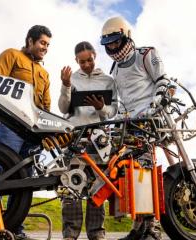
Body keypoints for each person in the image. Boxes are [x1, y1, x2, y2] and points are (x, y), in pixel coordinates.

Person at [100, 16, 170, 240]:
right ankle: (139, 226)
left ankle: (153, 228)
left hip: (149, 122)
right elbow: (120, 103)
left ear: (126, 36)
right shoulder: (115, 70)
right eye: (108, 44)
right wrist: (113, 122)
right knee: (128, 176)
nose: (112, 47)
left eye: (114, 41)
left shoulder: (146, 55)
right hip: (128, 125)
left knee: (146, 174)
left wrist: (156, 104)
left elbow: (162, 81)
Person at [0, 25, 52, 239]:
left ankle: (15, 230)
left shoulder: (45, 74)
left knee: (24, 182)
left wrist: (46, 133)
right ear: (30, 40)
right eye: (42, 43)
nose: (45, 47)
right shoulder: (11, 56)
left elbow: (46, 106)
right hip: (10, 127)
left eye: (48, 44)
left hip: (33, 133)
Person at [58, 41, 118, 240]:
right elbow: (63, 108)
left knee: (97, 186)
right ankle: (70, 234)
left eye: (89, 60)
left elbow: (112, 113)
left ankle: (96, 233)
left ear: (95, 56)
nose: (86, 65)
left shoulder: (108, 81)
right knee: (71, 186)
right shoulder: (72, 78)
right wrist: (66, 86)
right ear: (76, 60)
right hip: (74, 137)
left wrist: (101, 107)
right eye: (82, 62)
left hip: (98, 139)